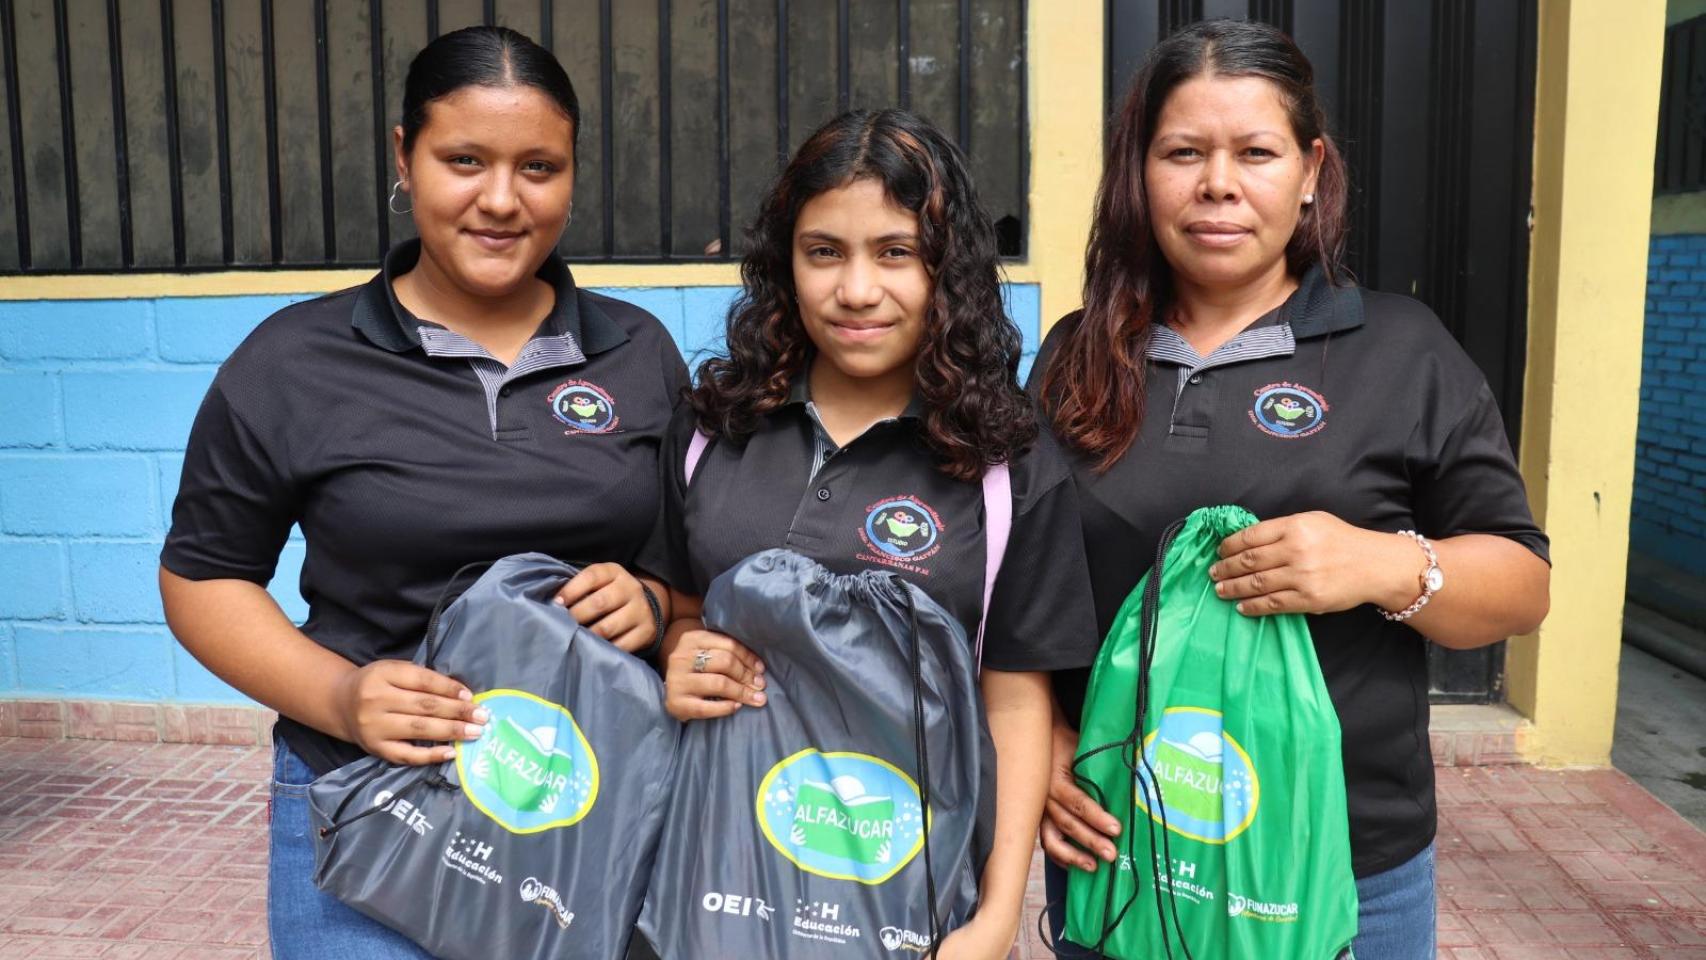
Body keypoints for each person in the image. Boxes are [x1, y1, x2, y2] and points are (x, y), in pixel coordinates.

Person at [158, 26, 686, 958]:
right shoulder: (294, 360)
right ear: (405, 157)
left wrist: (655, 601)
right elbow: (204, 576)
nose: (501, 200)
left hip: (584, 817)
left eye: (538, 167)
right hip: (364, 800)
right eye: (465, 160)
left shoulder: (637, 352)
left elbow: (692, 566)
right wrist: (341, 696)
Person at [1029, 19, 1550, 960]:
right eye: (1182, 153)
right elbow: (1020, 590)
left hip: (1341, 869)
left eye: (1256, 153)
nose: (1218, 184)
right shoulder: (1077, 355)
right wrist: (1049, 744)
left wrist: (1380, 564)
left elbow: (1521, 585)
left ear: (1310, 170)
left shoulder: (1402, 351)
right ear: (1138, 171)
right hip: (1125, 854)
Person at [637, 109, 1100, 959]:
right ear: (785, 263)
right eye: (824, 252)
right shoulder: (713, 427)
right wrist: (679, 649)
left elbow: (1013, 697)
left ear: (947, 268)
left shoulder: (1007, 463)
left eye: (895, 252)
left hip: (911, 902)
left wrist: (997, 918)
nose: (855, 290)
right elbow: (681, 608)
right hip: (711, 889)